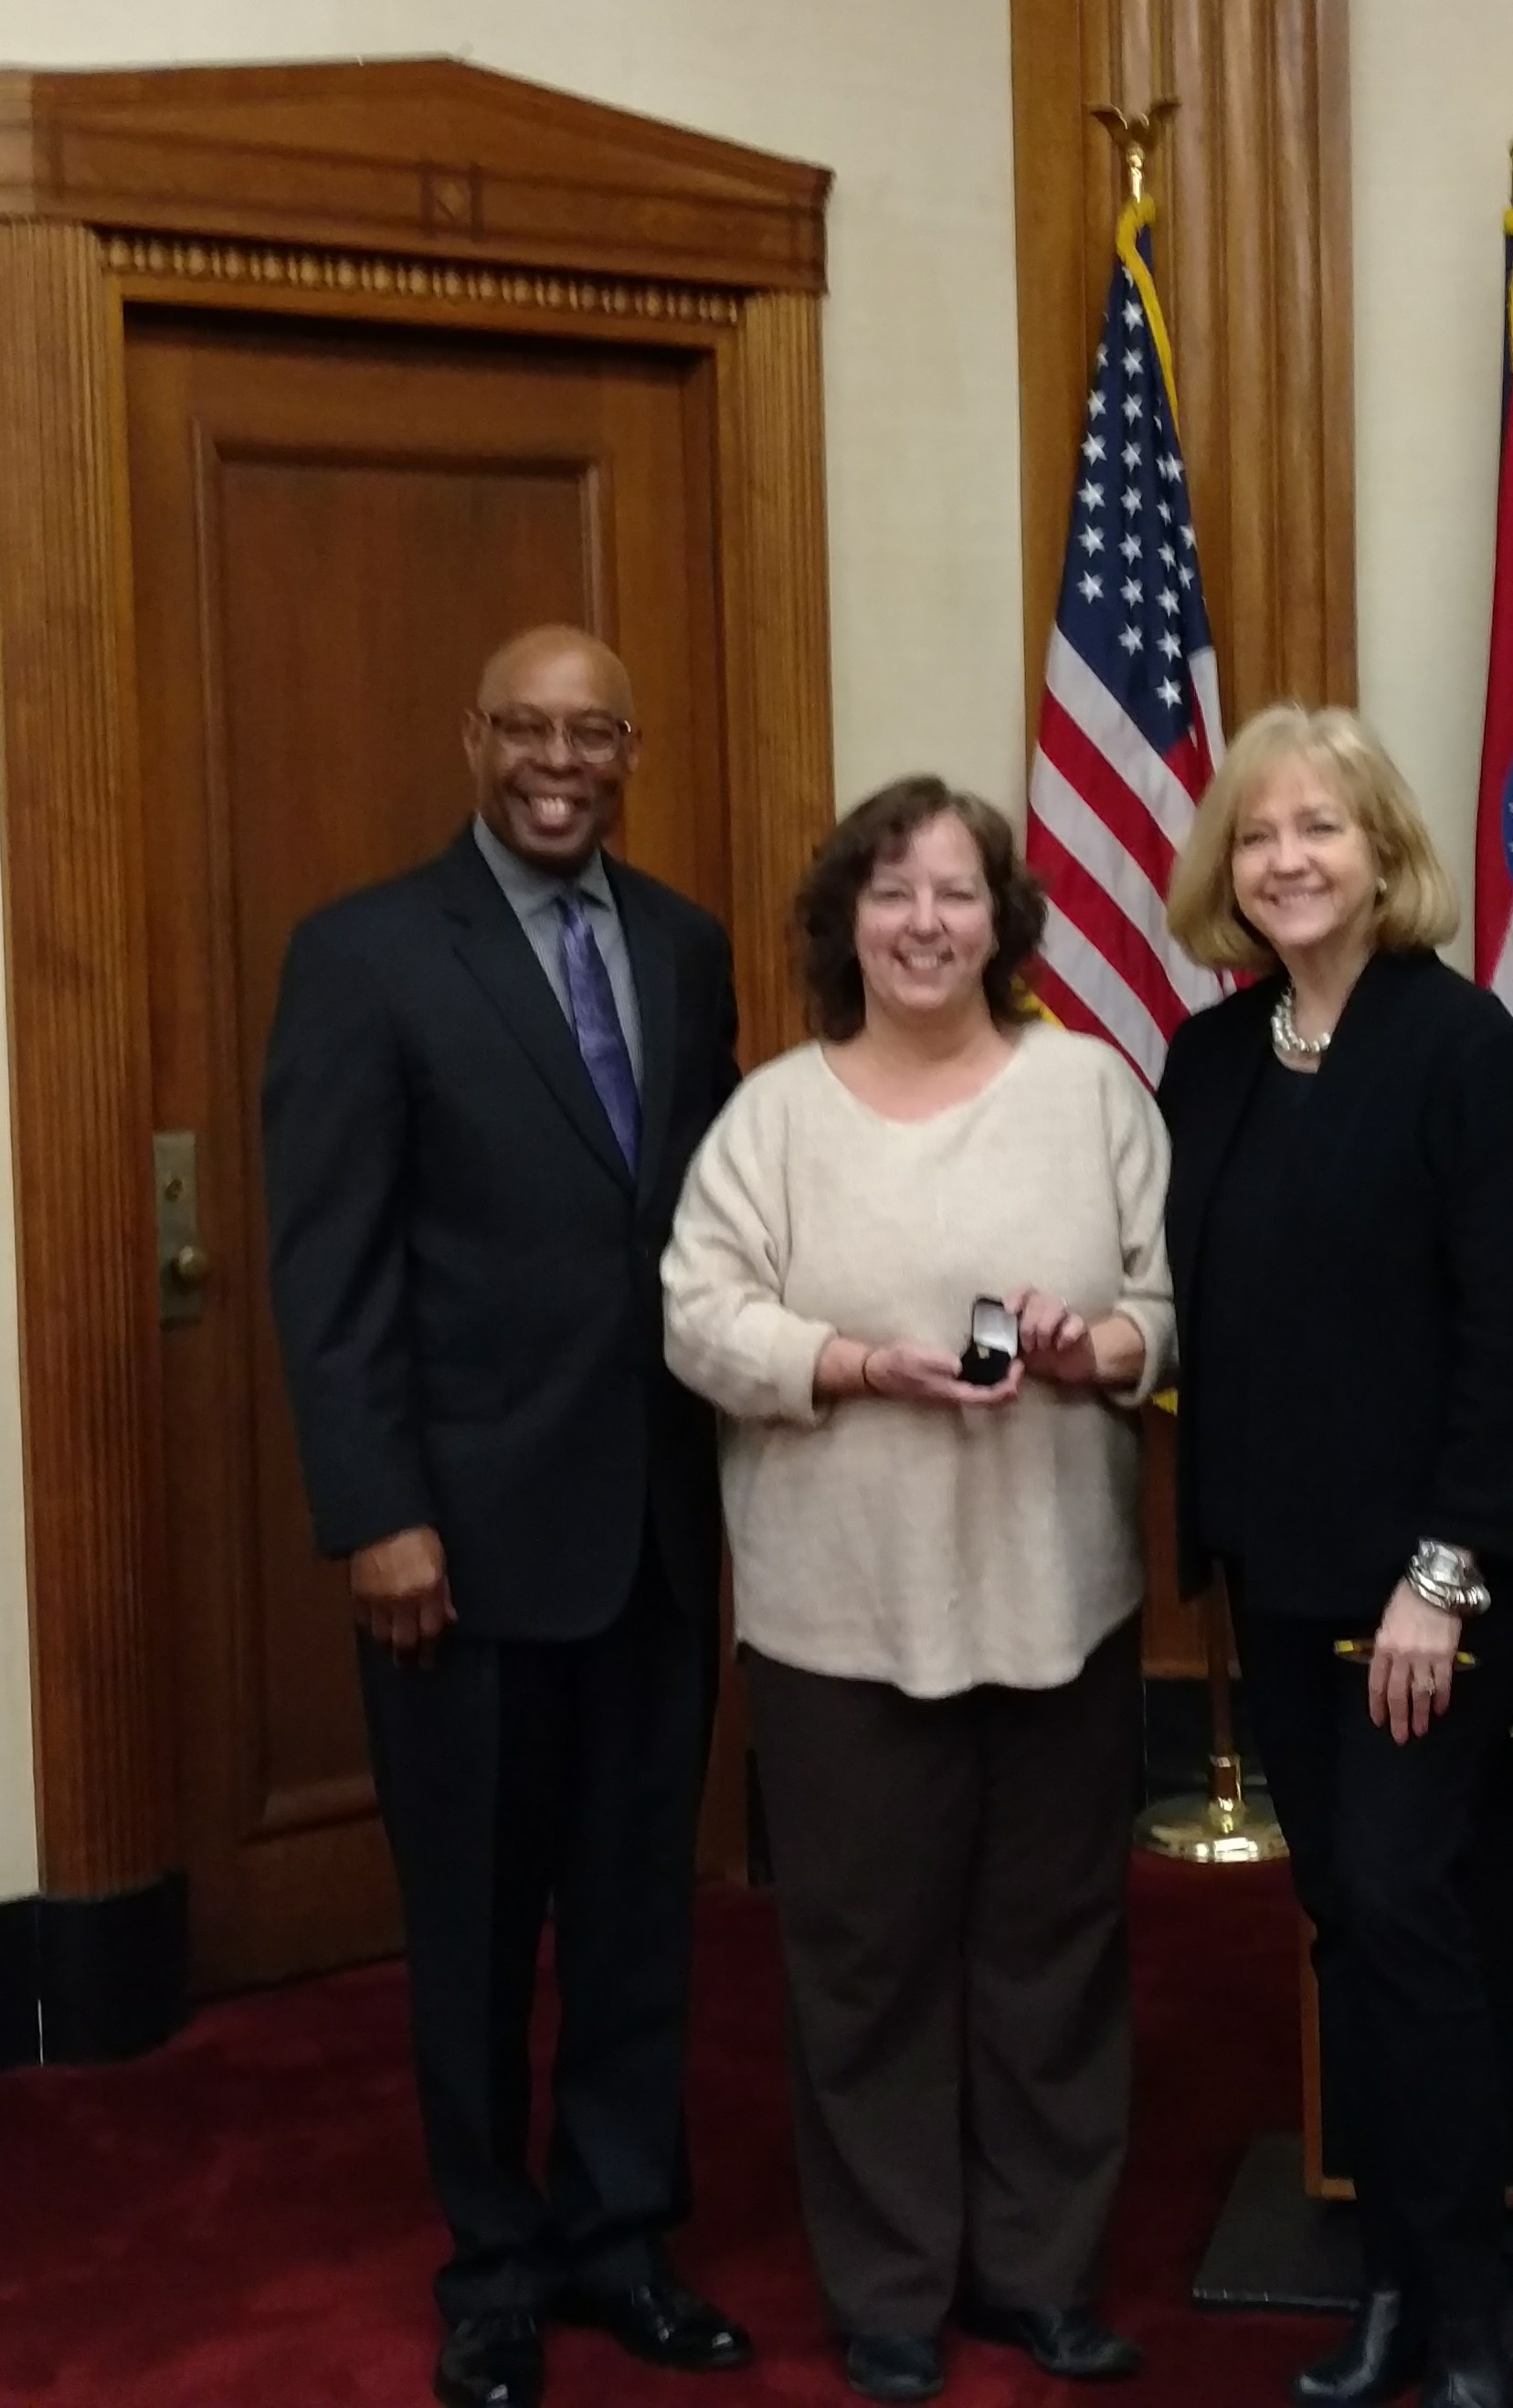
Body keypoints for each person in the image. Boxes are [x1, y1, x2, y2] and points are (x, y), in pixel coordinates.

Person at [263, 626, 750, 2408]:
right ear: (475, 740)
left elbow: (708, 1232)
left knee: (636, 1910)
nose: (564, 760)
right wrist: (375, 1514)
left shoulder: (688, 949)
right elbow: (328, 1272)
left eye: (595, 732)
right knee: (471, 1925)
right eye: (530, 729)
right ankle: (491, 2263)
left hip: (655, 1532)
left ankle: (619, 2233)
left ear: (629, 748)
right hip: (453, 1549)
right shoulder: (366, 954)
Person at [661, 776, 1173, 2405]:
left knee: (1053, 1949)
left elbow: (1173, 1300)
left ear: (1002, 922)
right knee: (864, 1961)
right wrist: (849, 1363)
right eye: (890, 895)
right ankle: (888, 2287)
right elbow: (695, 1317)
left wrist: (1100, 1347)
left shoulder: (1092, 1093)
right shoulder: (773, 1116)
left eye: (955, 893)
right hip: (838, 1617)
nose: (925, 924)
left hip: (1058, 1596)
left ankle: (1038, 2274)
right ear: (844, 924)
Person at [1159, 705, 1513, 2408]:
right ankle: (1396, 2290)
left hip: (1439, 1580)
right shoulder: (1210, 1061)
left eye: (1319, 829)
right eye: (1259, 836)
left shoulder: (1467, 1053)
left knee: (1403, 1907)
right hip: (1281, 1567)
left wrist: (1447, 1576)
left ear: (1382, 852)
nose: (1287, 861)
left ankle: (1470, 2312)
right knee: (1344, 1915)